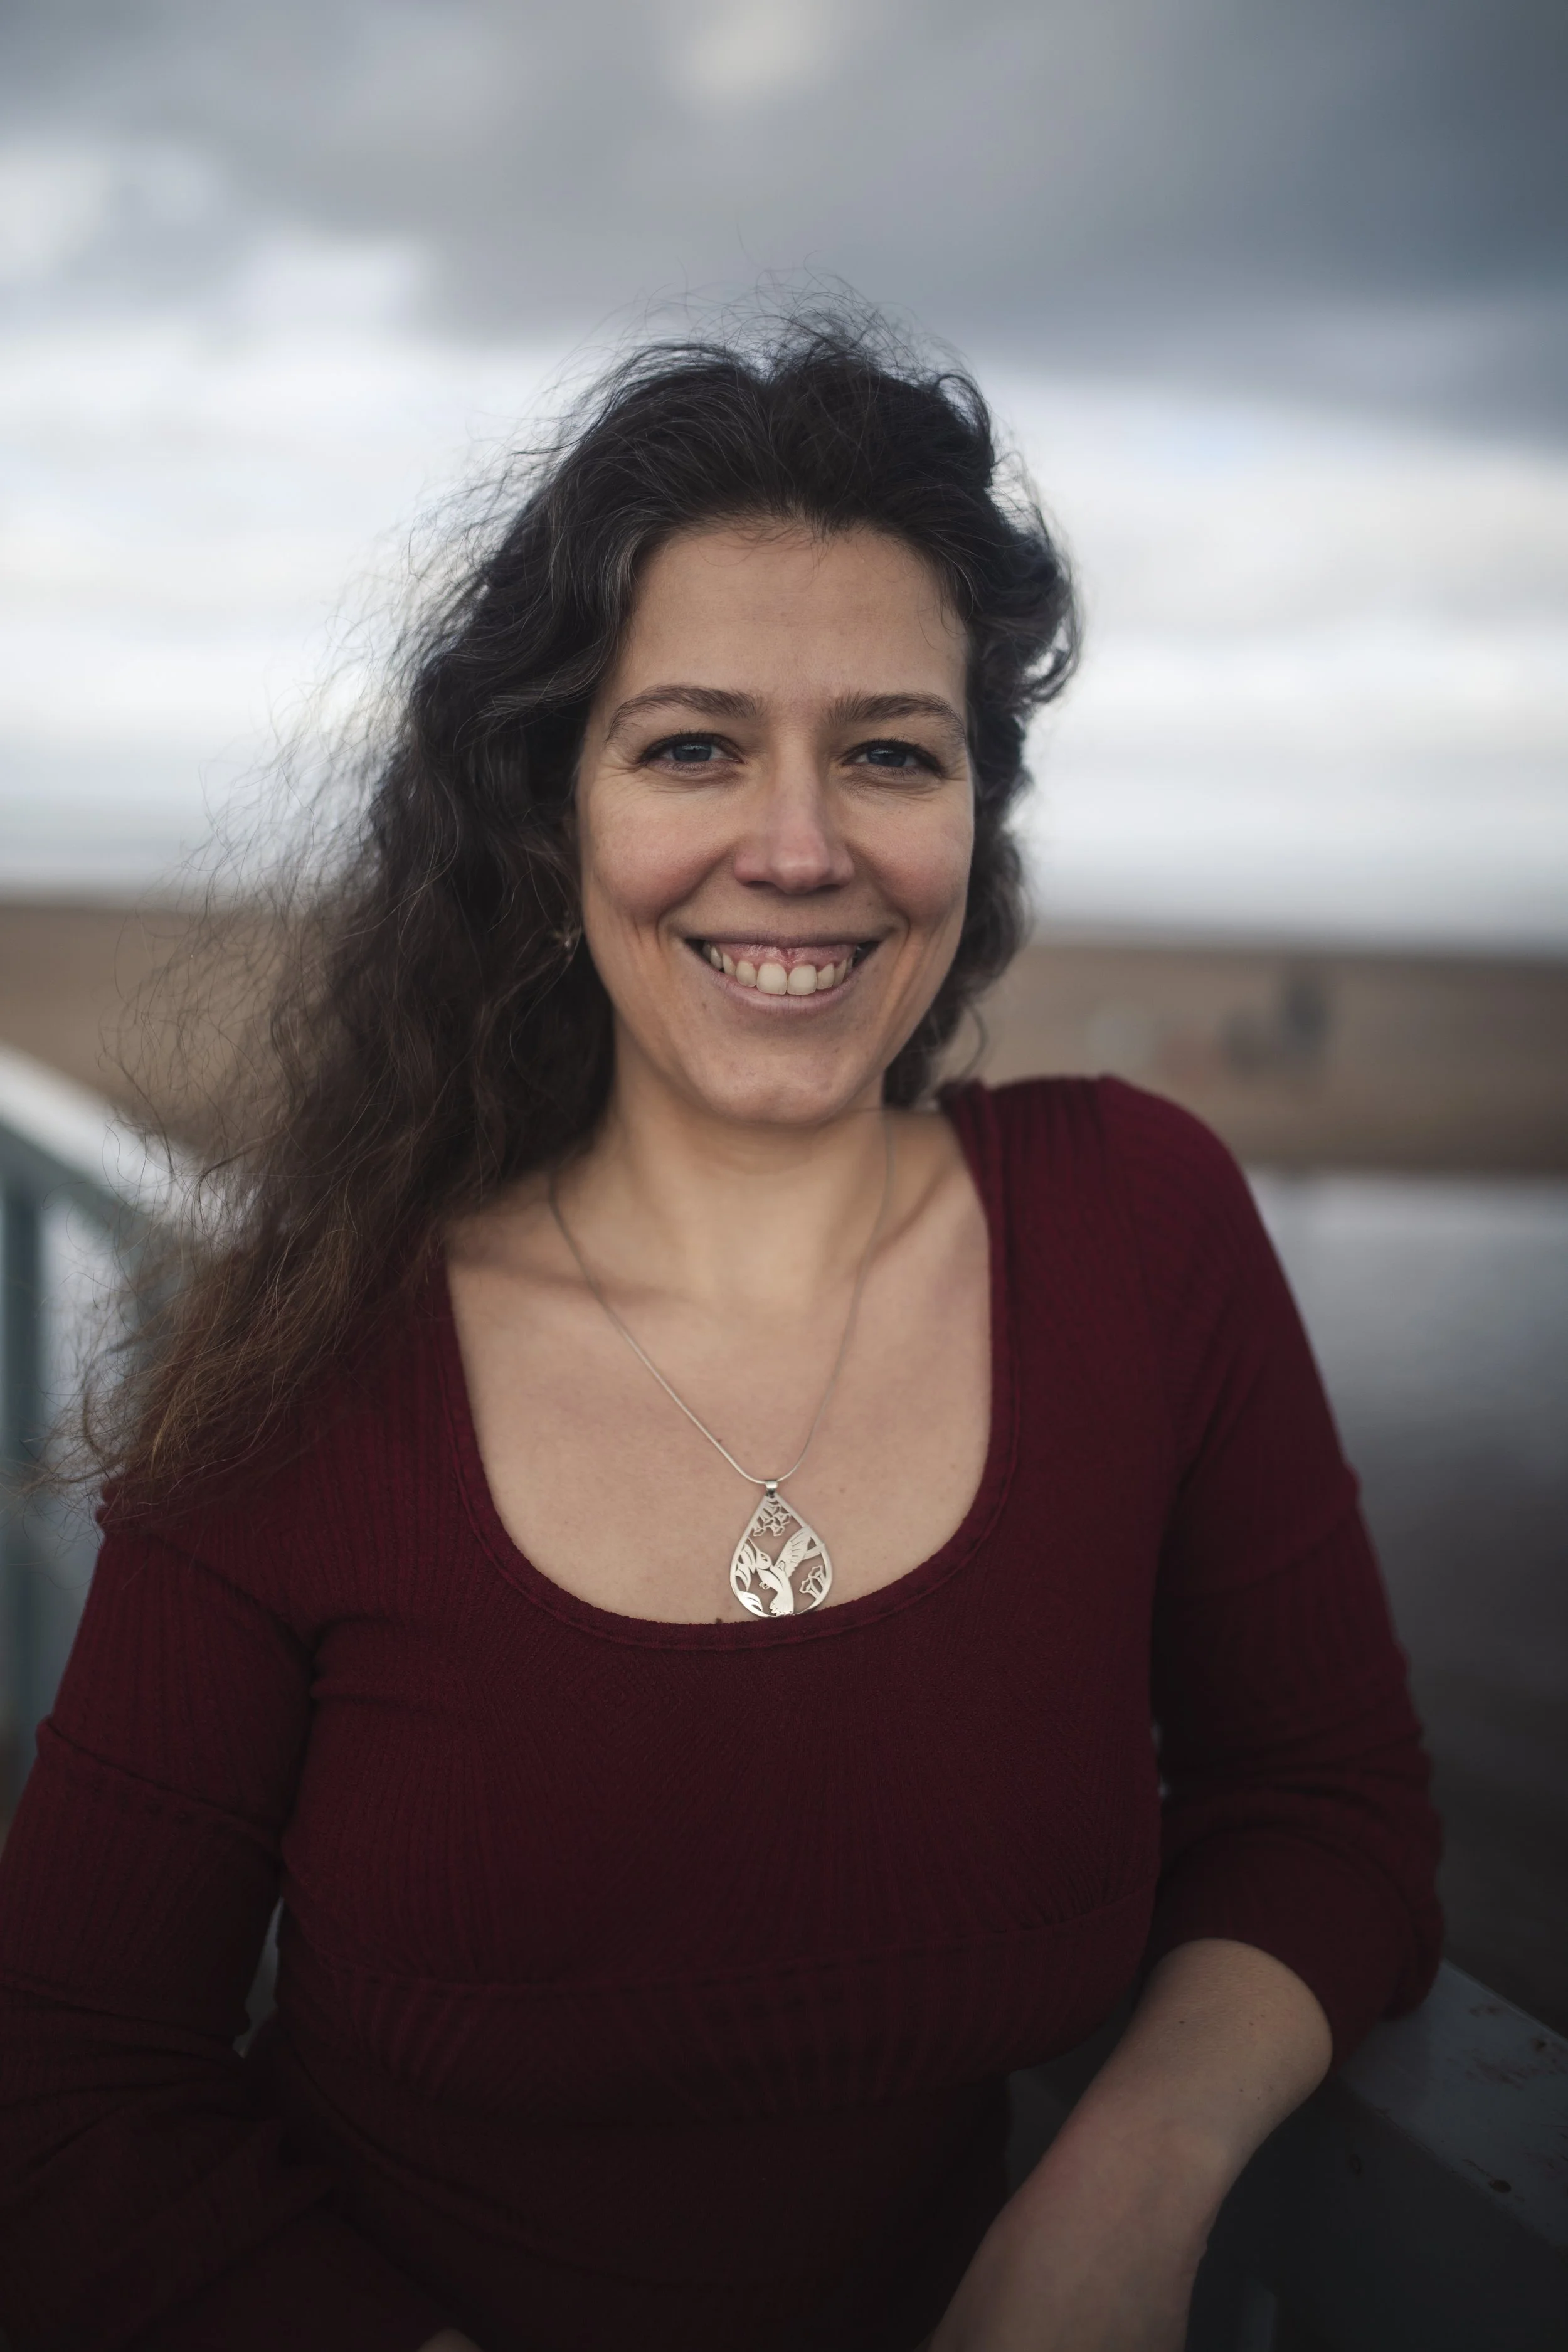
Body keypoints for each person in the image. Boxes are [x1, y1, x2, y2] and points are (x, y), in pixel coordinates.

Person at [0, 308, 1441, 2352]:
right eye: (691, 745)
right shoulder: (317, 1367)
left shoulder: (1138, 1228)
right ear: (551, 811)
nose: (799, 845)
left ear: (969, 814)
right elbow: (62, 2081)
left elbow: (1321, 1801)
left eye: (887, 750)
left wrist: (1126, 2179)